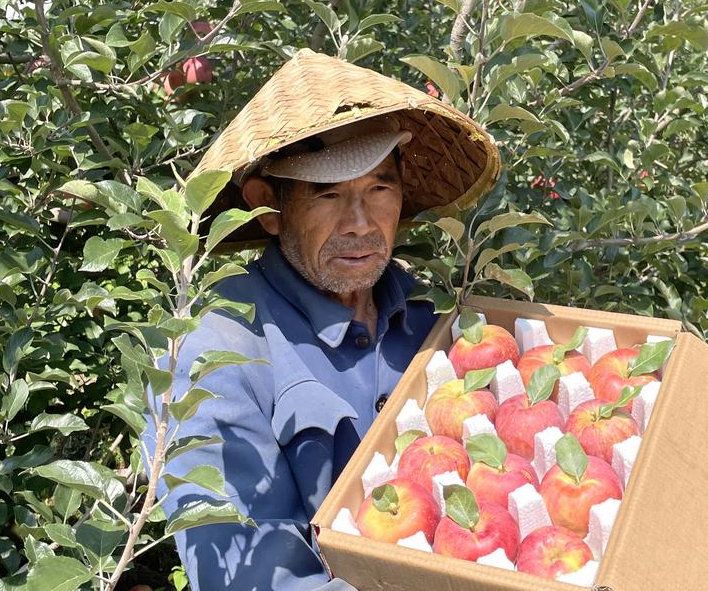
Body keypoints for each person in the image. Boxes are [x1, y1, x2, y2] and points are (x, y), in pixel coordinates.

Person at [144, 50, 499, 590]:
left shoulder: (431, 318)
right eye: (328, 193)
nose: (360, 223)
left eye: (379, 187)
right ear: (267, 206)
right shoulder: (213, 355)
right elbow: (252, 576)